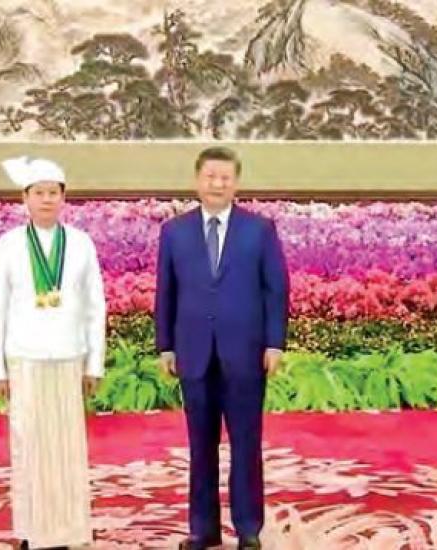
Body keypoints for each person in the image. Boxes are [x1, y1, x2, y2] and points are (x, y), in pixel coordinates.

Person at [154, 146, 289, 549]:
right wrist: (166, 346)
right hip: (193, 352)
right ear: (198, 180)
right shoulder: (175, 231)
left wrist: (275, 343)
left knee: (246, 443)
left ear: (236, 182)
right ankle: (203, 528)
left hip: (245, 352)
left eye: (225, 177)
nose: (217, 184)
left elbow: (276, 289)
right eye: (210, 176)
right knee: (201, 445)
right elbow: (166, 292)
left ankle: (248, 528)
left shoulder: (259, 230)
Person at [0, 156, 106, 550]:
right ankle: (32, 531)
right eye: (39, 193)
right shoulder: (8, 245)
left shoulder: (81, 243)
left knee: (68, 447)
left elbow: (95, 306)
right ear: (25, 198)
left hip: (70, 356)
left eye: (53, 192)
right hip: (25, 357)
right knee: (30, 445)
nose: (47, 200)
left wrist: (94, 362)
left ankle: (71, 530)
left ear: (63, 197)